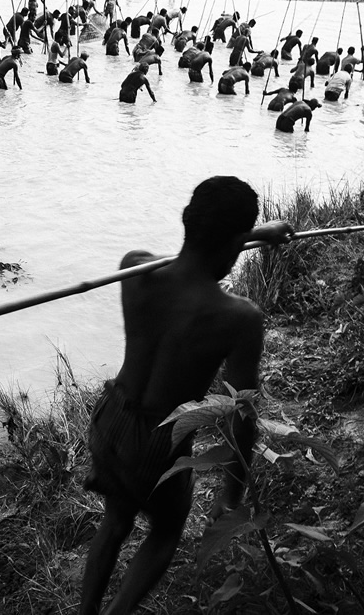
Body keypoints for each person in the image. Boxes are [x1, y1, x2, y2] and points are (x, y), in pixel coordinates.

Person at [78, 176, 294, 615]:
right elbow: (242, 413)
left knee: (116, 520)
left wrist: (247, 235)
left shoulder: (134, 268)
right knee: (165, 529)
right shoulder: (239, 318)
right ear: (235, 243)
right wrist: (232, 494)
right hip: (162, 439)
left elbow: (187, 258)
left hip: (112, 418)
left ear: (186, 222)